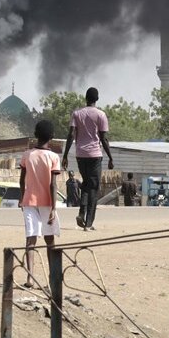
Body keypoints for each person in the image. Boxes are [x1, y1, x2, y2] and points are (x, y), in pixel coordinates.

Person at [62, 87, 113, 231]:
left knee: (85, 185)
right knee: (93, 189)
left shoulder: (77, 114)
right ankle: (88, 223)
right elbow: (103, 138)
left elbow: (71, 135)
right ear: (97, 99)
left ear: (86, 98)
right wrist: (110, 157)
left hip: (80, 155)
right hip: (95, 155)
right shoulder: (101, 115)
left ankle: (81, 213)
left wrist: (65, 155)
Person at [18, 120, 61, 289]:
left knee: (30, 239)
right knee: (50, 241)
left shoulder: (27, 155)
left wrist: (22, 198)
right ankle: (52, 276)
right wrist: (54, 208)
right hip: (47, 203)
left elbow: (21, 180)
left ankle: (30, 278)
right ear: (51, 137)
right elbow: (53, 184)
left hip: (29, 201)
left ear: (36, 135)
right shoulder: (53, 157)